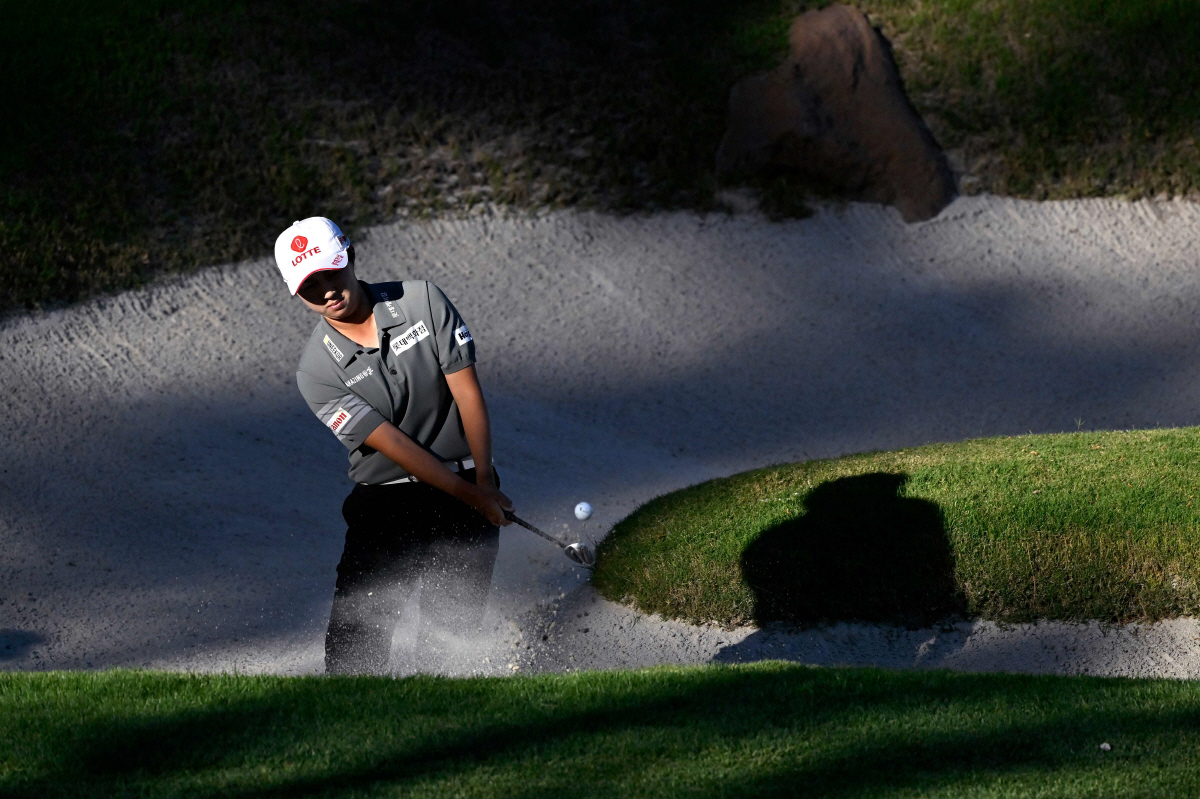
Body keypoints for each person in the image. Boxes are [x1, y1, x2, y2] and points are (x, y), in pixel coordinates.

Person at [273, 216, 513, 675]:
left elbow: (467, 392)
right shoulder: (316, 372)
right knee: (354, 648)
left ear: (350, 256)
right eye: (310, 286)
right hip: (387, 504)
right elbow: (396, 445)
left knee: (450, 634)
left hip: (467, 478)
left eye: (332, 271)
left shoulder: (421, 300)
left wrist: (484, 479)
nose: (326, 290)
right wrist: (474, 495)